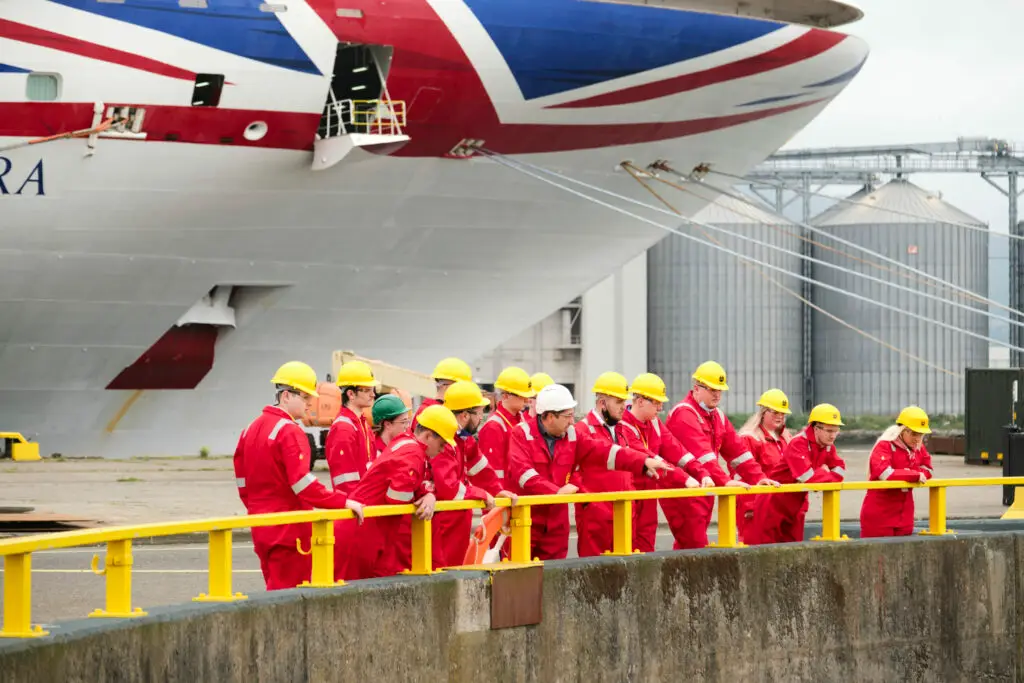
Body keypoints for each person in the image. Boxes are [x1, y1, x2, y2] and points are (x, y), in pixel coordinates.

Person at [233, 361, 364, 590]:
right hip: (290, 529)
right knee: (290, 596)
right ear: (285, 396)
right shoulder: (289, 431)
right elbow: (303, 485)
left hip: (260, 525)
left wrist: (257, 508)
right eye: (304, 397)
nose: (309, 404)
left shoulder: (250, 428)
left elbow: (242, 482)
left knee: (273, 591)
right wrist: (343, 501)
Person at [506, 383, 673, 560]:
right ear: (549, 417)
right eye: (567, 416)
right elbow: (523, 474)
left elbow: (605, 451)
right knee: (518, 578)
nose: (572, 421)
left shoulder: (572, 435)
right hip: (525, 520)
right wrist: (556, 492)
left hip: (557, 523)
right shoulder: (521, 434)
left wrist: (643, 461)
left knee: (553, 578)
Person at [335, 404, 457, 580]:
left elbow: (411, 484)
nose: (443, 448)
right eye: (442, 443)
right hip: (362, 532)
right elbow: (397, 499)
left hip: (361, 527)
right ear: (428, 436)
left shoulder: (406, 442)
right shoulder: (414, 454)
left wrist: (428, 494)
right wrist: (424, 496)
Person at [663, 361, 775, 549]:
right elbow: (703, 456)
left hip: (703, 487)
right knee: (693, 545)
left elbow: (739, 453)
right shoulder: (684, 414)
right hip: (683, 491)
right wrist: (725, 481)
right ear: (696, 388)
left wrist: (759, 478)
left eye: (720, 390)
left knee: (690, 547)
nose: (717, 394)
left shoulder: (717, 416)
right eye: (712, 389)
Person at [433, 380, 517, 567]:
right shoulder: (443, 440)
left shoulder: (463, 439)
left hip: (456, 521)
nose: (482, 417)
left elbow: (481, 469)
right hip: (441, 524)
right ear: (464, 415)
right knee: (443, 573)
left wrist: (497, 491)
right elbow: (448, 488)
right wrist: (481, 494)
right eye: (479, 413)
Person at [618, 373, 705, 552]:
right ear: (640, 401)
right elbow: (653, 460)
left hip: (648, 496)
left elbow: (676, 450)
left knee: (646, 548)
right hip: (628, 497)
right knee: (627, 549)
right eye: (656, 403)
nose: (660, 407)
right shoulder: (623, 426)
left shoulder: (654, 422)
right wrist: (685, 479)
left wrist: (700, 472)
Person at [745, 403, 847, 545]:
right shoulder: (798, 444)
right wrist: (824, 475)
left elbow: (840, 468)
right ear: (815, 428)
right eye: (829, 431)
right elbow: (807, 477)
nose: (833, 436)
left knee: (792, 550)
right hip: (773, 503)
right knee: (764, 550)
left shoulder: (827, 446)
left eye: (836, 431)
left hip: (795, 505)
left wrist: (823, 478)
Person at [860, 406, 934, 538]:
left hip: (904, 516)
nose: (917, 438)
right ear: (902, 431)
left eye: (921, 434)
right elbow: (884, 473)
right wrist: (913, 474)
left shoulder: (917, 447)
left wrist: (911, 473)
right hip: (880, 515)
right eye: (913, 433)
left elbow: (928, 469)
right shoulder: (884, 445)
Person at [735, 389, 793, 542]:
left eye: (783, 413)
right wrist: (750, 507)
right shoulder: (749, 438)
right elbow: (743, 474)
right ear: (763, 412)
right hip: (757, 508)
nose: (780, 417)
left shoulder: (786, 437)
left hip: (780, 507)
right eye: (775, 412)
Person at [324, 360, 378, 494]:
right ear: (351, 394)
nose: (373, 394)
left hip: (365, 505)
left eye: (373, 389)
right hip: (355, 507)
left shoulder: (362, 424)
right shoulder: (343, 429)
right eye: (367, 390)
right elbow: (345, 482)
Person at [476, 366, 535, 485]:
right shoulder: (493, 427)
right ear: (505, 396)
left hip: (521, 495)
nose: (527, 400)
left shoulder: (521, 420)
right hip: (506, 498)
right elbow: (493, 474)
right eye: (521, 395)